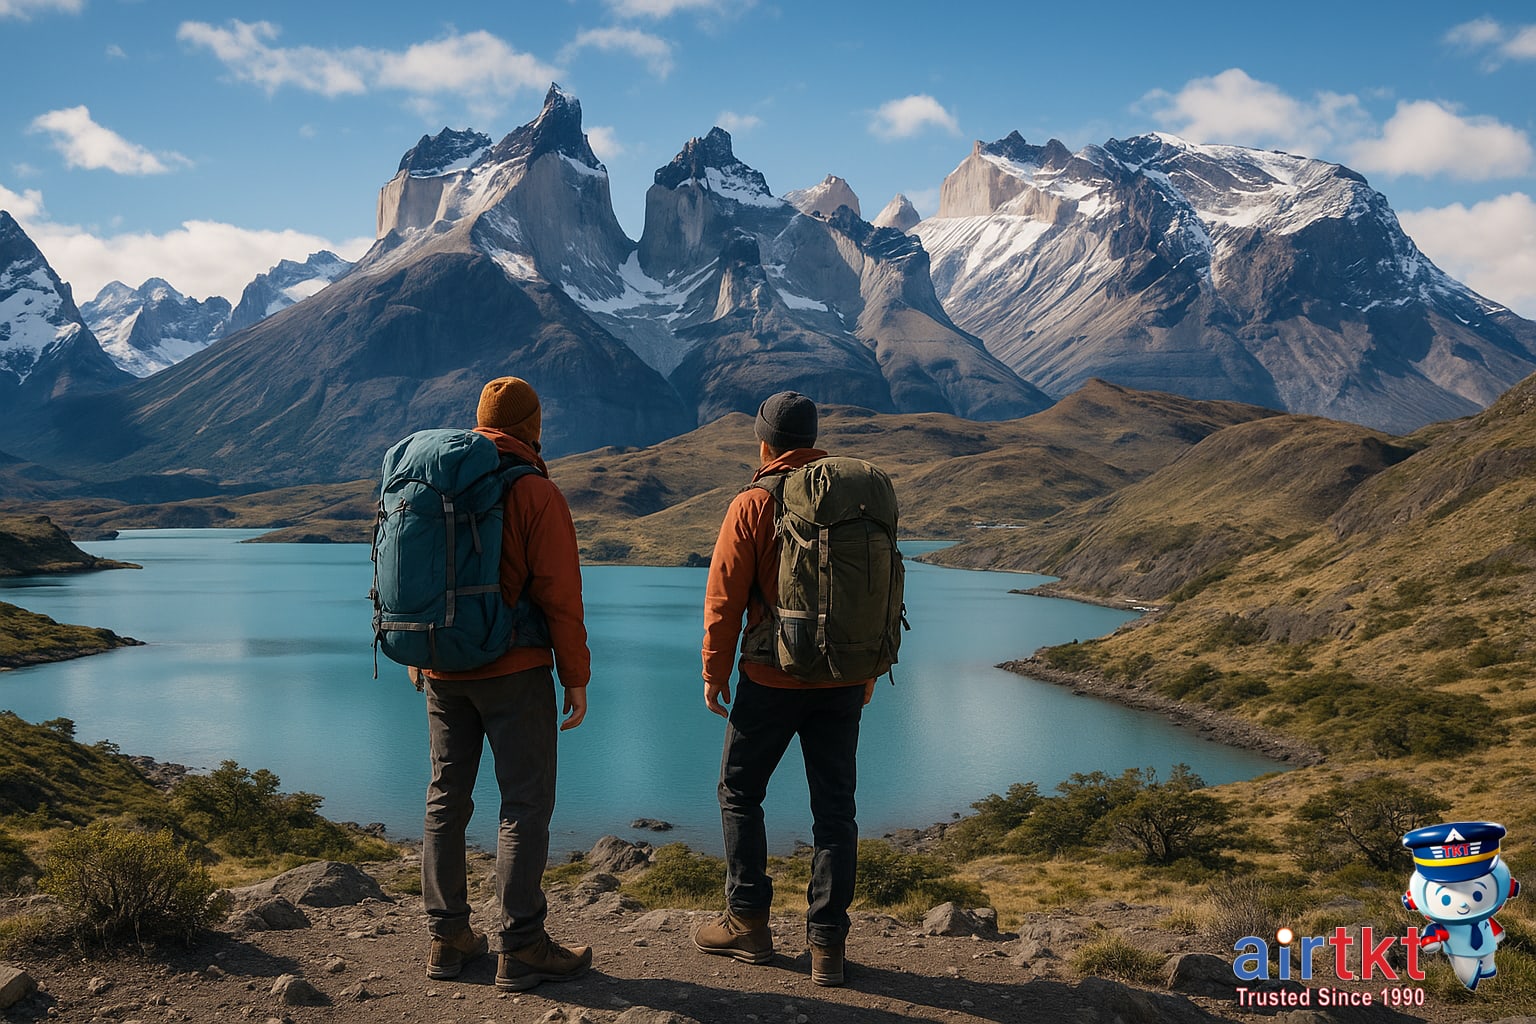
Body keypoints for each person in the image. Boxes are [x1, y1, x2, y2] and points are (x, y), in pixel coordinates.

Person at [693, 391, 877, 987]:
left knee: (741, 792)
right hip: (844, 677)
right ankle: (828, 945)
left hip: (770, 677)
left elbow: (723, 599)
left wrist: (714, 673)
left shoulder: (752, 503)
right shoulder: (856, 498)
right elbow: (870, 597)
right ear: (815, 438)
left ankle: (748, 922)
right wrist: (867, 670)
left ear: (764, 442)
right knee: (835, 808)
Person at [416, 376, 593, 992]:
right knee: (522, 805)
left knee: (446, 798)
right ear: (532, 426)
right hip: (515, 669)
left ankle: (447, 938)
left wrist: (421, 651)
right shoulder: (534, 490)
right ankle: (520, 947)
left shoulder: (438, 479)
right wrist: (576, 676)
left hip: (441, 665)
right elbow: (560, 595)